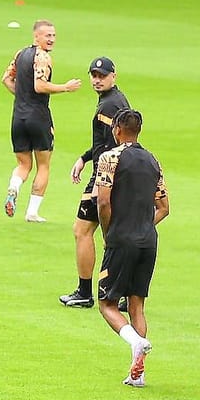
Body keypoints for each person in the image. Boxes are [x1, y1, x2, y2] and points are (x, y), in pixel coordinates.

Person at [94, 109, 169, 387]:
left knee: (106, 304)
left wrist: (109, 232)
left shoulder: (109, 158)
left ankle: (136, 343)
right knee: (136, 305)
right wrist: (143, 225)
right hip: (148, 240)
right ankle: (139, 375)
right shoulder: (153, 160)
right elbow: (164, 207)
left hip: (121, 240)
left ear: (116, 130)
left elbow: (103, 202)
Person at [58, 57, 128, 308]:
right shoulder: (115, 101)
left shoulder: (109, 106)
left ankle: (86, 292)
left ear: (113, 76)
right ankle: (120, 293)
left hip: (106, 177)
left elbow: (113, 146)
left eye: (102, 75)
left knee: (83, 231)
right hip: (114, 174)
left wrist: (101, 181)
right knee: (114, 235)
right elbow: (107, 142)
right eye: (94, 75)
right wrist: (85, 157)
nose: (97, 80)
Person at [1, 21, 81, 222]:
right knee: (43, 165)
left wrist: (21, 97)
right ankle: (32, 212)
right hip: (38, 116)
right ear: (36, 36)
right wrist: (65, 87)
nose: (51, 39)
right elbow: (40, 85)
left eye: (53, 35)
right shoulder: (43, 57)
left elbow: (6, 79)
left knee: (23, 164)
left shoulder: (20, 54)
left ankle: (14, 187)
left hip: (18, 116)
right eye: (47, 36)